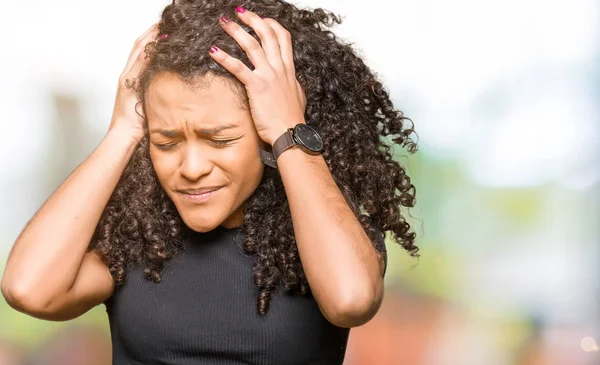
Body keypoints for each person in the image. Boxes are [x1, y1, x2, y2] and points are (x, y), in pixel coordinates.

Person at [1, 0, 419, 364]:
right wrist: (123, 131)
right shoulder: (139, 239)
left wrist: (290, 128)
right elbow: (28, 289)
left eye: (219, 139)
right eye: (166, 142)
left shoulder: (326, 232)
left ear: (264, 132)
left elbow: (351, 300)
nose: (191, 166)